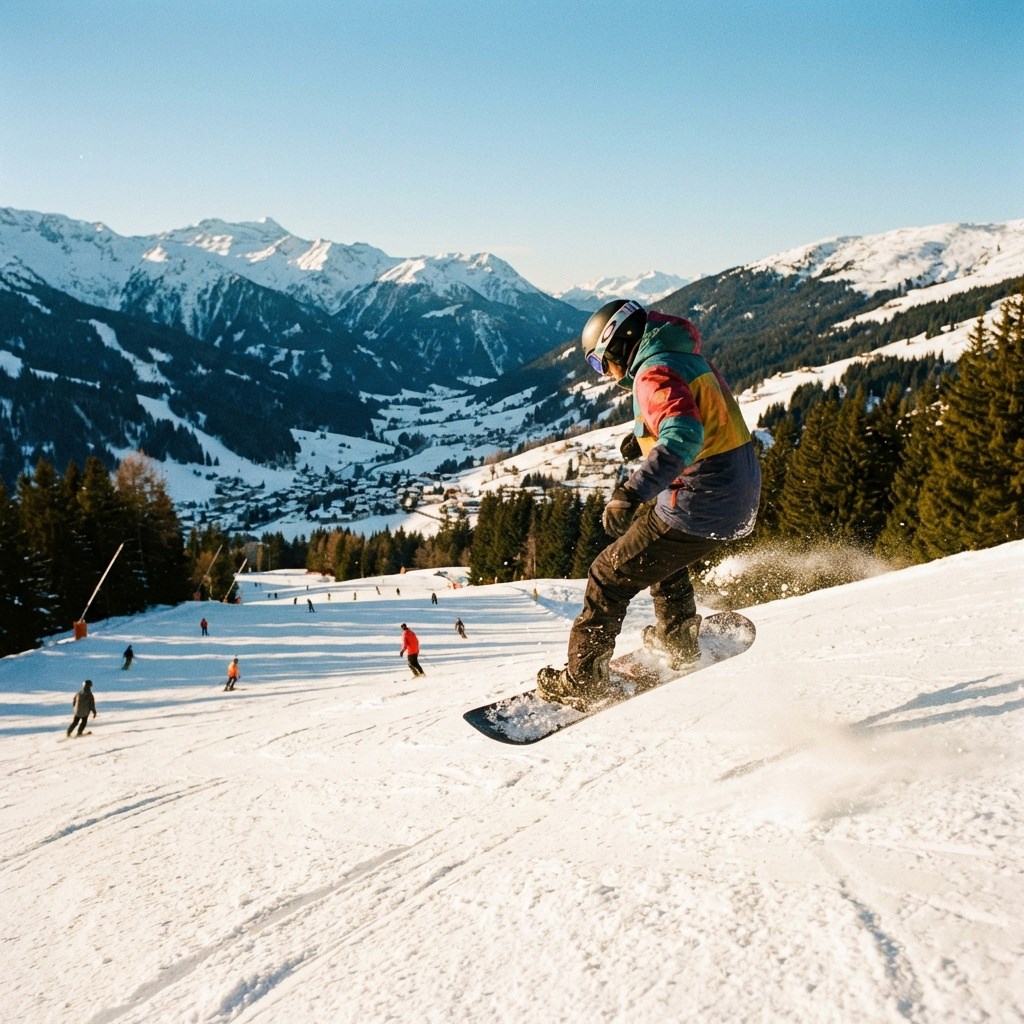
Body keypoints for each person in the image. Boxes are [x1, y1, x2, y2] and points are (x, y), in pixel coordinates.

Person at [537, 299, 761, 711]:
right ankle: (677, 637)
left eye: (600, 364)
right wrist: (644, 435)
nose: (605, 375)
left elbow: (683, 434)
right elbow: (701, 417)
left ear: (619, 343)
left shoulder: (653, 371)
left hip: (703, 500)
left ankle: (584, 680)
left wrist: (631, 491)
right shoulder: (681, 356)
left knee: (607, 575)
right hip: (734, 495)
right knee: (654, 547)